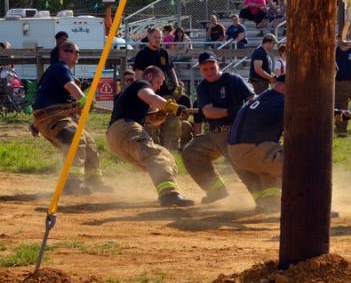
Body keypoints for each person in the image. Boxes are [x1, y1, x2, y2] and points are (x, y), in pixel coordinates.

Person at [106, 65, 194, 207]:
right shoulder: (142, 84)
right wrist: (174, 107)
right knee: (155, 156)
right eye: (159, 82)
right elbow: (151, 97)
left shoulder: (134, 95)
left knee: (166, 158)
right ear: (149, 77)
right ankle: (169, 194)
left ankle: (165, 189)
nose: (159, 87)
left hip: (116, 138)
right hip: (126, 128)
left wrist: (163, 114)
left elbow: (154, 122)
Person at [32, 41, 111, 194]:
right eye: (74, 52)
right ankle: (72, 183)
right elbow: (70, 86)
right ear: (63, 54)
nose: (77, 56)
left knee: (89, 144)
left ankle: (94, 180)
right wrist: (84, 100)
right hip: (51, 118)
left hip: (58, 118)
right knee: (76, 140)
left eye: (78, 53)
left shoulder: (60, 70)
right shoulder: (60, 67)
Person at [181, 51, 257, 205]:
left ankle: (266, 198)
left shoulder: (233, 80)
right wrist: (233, 110)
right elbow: (209, 112)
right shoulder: (202, 87)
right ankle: (216, 190)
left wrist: (242, 114)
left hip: (236, 130)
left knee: (240, 164)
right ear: (201, 70)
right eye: (205, 69)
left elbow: (252, 100)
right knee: (191, 152)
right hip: (215, 133)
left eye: (212, 67)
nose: (209, 72)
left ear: (218, 65)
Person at [227, 75, 286, 213]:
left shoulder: (265, 96)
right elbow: (307, 114)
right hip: (252, 150)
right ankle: (312, 207)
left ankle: (271, 203)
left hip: (236, 153)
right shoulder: (282, 100)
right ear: (283, 87)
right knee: (302, 165)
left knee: (272, 159)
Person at [132, 27, 182, 150]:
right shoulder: (142, 55)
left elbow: (171, 71)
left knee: (173, 124)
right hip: (150, 97)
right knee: (151, 128)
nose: (158, 40)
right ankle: (152, 153)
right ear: (148, 37)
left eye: (160, 38)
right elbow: (138, 76)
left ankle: (171, 152)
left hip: (166, 95)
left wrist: (176, 87)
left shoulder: (164, 53)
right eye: (155, 37)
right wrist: (143, 95)